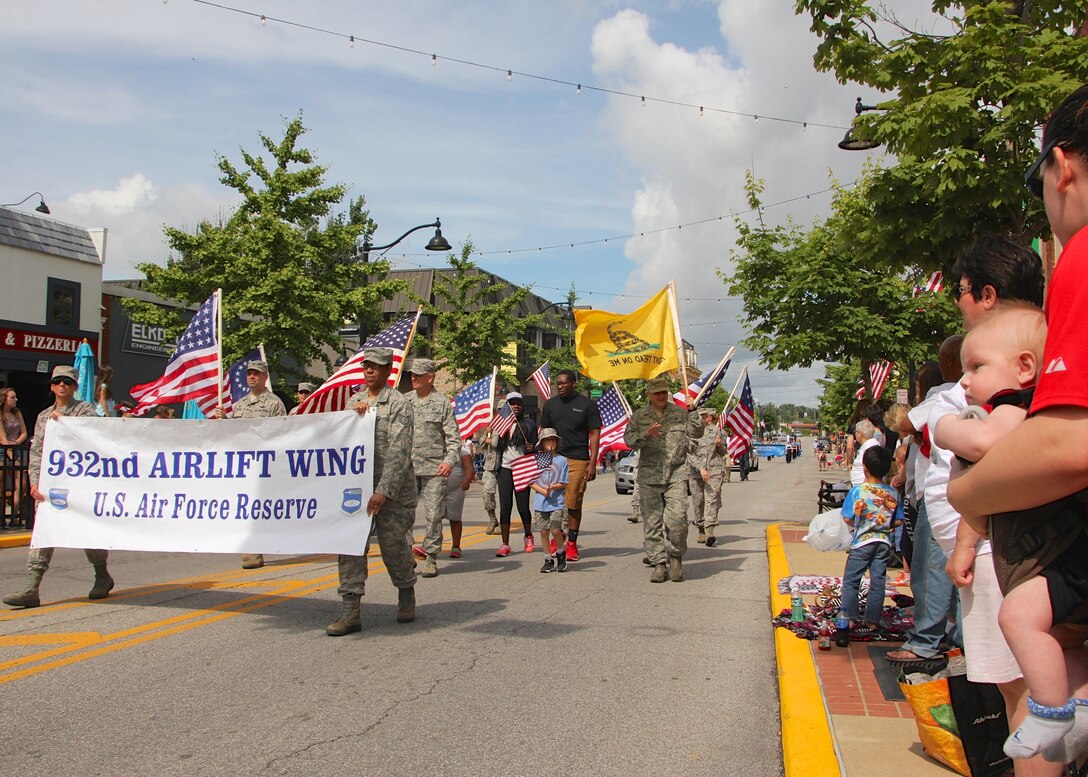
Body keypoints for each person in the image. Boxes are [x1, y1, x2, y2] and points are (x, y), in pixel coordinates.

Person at [950, 86, 1088, 770]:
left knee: (1033, 698)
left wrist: (969, 497)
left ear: (1063, 167)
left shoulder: (1084, 257)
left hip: (1049, 553)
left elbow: (1067, 442)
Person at [931, 305, 1078, 759]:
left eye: (977, 367)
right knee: (1067, 644)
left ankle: (1053, 713)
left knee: (1017, 626)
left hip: (1043, 557)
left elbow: (982, 446)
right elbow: (988, 502)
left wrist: (944, 426)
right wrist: (963, 544)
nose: (965, 381)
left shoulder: (1014, 406)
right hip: (1048, 554)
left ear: (1024, 367)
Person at [3, 366, 112, 608]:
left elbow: (96, 434)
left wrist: (66, 422)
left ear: (74, 387)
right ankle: (32, 586)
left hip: (79, 482)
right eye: (57, 381)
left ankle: (101, 574)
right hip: (52, 485)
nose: (62, 385)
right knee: (45, 530)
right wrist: (34, 482)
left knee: (84, 530)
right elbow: (37, 452)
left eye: (67, 382)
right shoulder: (43, 416)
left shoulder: (84, 410)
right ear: (51, 386)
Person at [329, 347, 418, 635]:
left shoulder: (398, 403)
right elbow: (338, 439)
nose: (369, 371)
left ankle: (406, 592)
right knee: (350, 547)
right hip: (357, 488)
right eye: (366, 366)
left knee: (394, 548)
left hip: (392, 491)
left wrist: (384, 490)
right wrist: (351, 418)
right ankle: (350, 610)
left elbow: (399, 452)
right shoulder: (354, 401)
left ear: (387, 370)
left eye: (375, 367)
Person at [624, 376, 702, 583]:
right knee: (652, 523)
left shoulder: (679, 413)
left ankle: (675, 557)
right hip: (650, 476)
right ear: (649, 394)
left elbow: (698, 432)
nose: (661, 396)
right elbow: (629, 442)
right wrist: (646, 434)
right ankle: (659, 563)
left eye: (663, 392)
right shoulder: (639, 416)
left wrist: (693, 410)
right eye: (656, 392)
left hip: (675, 474)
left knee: (678, 521)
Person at [217, 359, 286, 569]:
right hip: (244, 464)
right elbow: (234, 434)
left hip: (265, 464)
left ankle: (259, 545)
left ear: (265, 377)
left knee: (261, 508)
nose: (252, 377)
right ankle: (251, 549)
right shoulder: (240, 405)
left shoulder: (274, 403)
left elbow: (283, 434)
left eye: (256, 373)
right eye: (249, 374)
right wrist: (224, 421)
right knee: (247, 507)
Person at [405, 358, 461, 579]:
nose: (413, 378)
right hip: (407, 468)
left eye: (418, 374)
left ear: (431, 377)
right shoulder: (404, 401)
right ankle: (407, 554)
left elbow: (454, 439)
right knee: (404, 516)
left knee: (434, 515)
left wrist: (449, 461)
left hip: (434, 470)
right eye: (412, 374)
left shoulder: (441, 403)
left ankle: (431, 556)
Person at [538, 369, 601, 561]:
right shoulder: (550, 405)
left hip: (577, 458)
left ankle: (572, 544)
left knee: (573, 502)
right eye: (558, 383)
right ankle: (558, 535)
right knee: (551, 499)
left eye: (564, 383)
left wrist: (592, 463)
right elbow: (544, 432)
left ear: (574, 383)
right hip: (554, 457)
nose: (560, 386)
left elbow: (594, 434)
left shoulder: (587, 405)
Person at [840, 445, 900, 632]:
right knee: (878, 581)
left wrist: (860, 523)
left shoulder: (858, 492)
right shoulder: (893, 493)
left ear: (864, 468)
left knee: (852, 580)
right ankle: (872, 619)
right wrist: (884, 525)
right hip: (883, 543)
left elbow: (847, 517)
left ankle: (850, 617)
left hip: (862, 542)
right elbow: (898, 521)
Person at [492, 392, 538, 557]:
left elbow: (536, 446)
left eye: (518, 403)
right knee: (505, 506)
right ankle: (505, 544)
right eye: (512, 403)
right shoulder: (502, 425)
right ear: (507, 406)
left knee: (522, 506)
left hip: (522, 469)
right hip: (505, 467)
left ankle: (528, 535)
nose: (515, 406)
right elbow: (496, 446)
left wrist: (532, 448)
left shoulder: (529, 424)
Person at [531, 428, 569, 573]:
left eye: (552, 439)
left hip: (556, 501)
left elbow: (564, 482)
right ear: (542, 443)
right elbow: (530, 480)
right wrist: (541, 490)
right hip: (541, 501)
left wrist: (552, 487)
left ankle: (560, 554)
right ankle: (548, 559)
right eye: (547, 440)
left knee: (555, 529)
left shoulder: (562, 460)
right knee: (543, 531)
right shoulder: (538, 459)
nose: (550, 442)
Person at [688, 408, 726, 547]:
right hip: (695, 472)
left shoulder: (716, 430)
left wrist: (719, 445)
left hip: (714, 471)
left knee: (711, 500)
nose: (705, 419)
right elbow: (689, 453)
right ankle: (700, 529)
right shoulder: (691, 433)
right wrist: (700, 468)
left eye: (706, 416)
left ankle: (709, 531)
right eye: (701, 416)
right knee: (698, 502)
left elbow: (723, 452)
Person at [442, 440, 475, 559]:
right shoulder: (436, 445)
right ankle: (431, 547)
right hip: (436, 488)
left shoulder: (462, 448)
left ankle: (456, 546)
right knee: (434, 518)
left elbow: (468, 466)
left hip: (456, 489)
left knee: (455, 518)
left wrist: (467, 480)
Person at [2, 387, 28, 526]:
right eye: (12, 397)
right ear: (4, 399)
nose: (15, 400)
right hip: (3, 451)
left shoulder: (17, 413)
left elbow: (23, 432)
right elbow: (3, 439)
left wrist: (16, 442)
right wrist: (9, 447)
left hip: (15, 449)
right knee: (2, 486)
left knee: (22, 483)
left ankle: (15, 515)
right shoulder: (0, 415)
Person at [476, 427, 500, 534]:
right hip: (490, 466)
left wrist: (493, 441)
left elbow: (497, 444)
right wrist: (487, 436)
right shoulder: (489, 429)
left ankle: (504, 522)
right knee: (486, 493)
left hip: (505, 464)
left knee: (506, 499)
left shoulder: (505, 426)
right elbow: (481, 444)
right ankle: (492, 519)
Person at [849, 419, 879, 486]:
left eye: (855, 432)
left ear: (859, 434)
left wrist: (863, 487)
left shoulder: (870, 447)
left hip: (865, 488)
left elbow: (871, 469)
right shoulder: (867, 445)